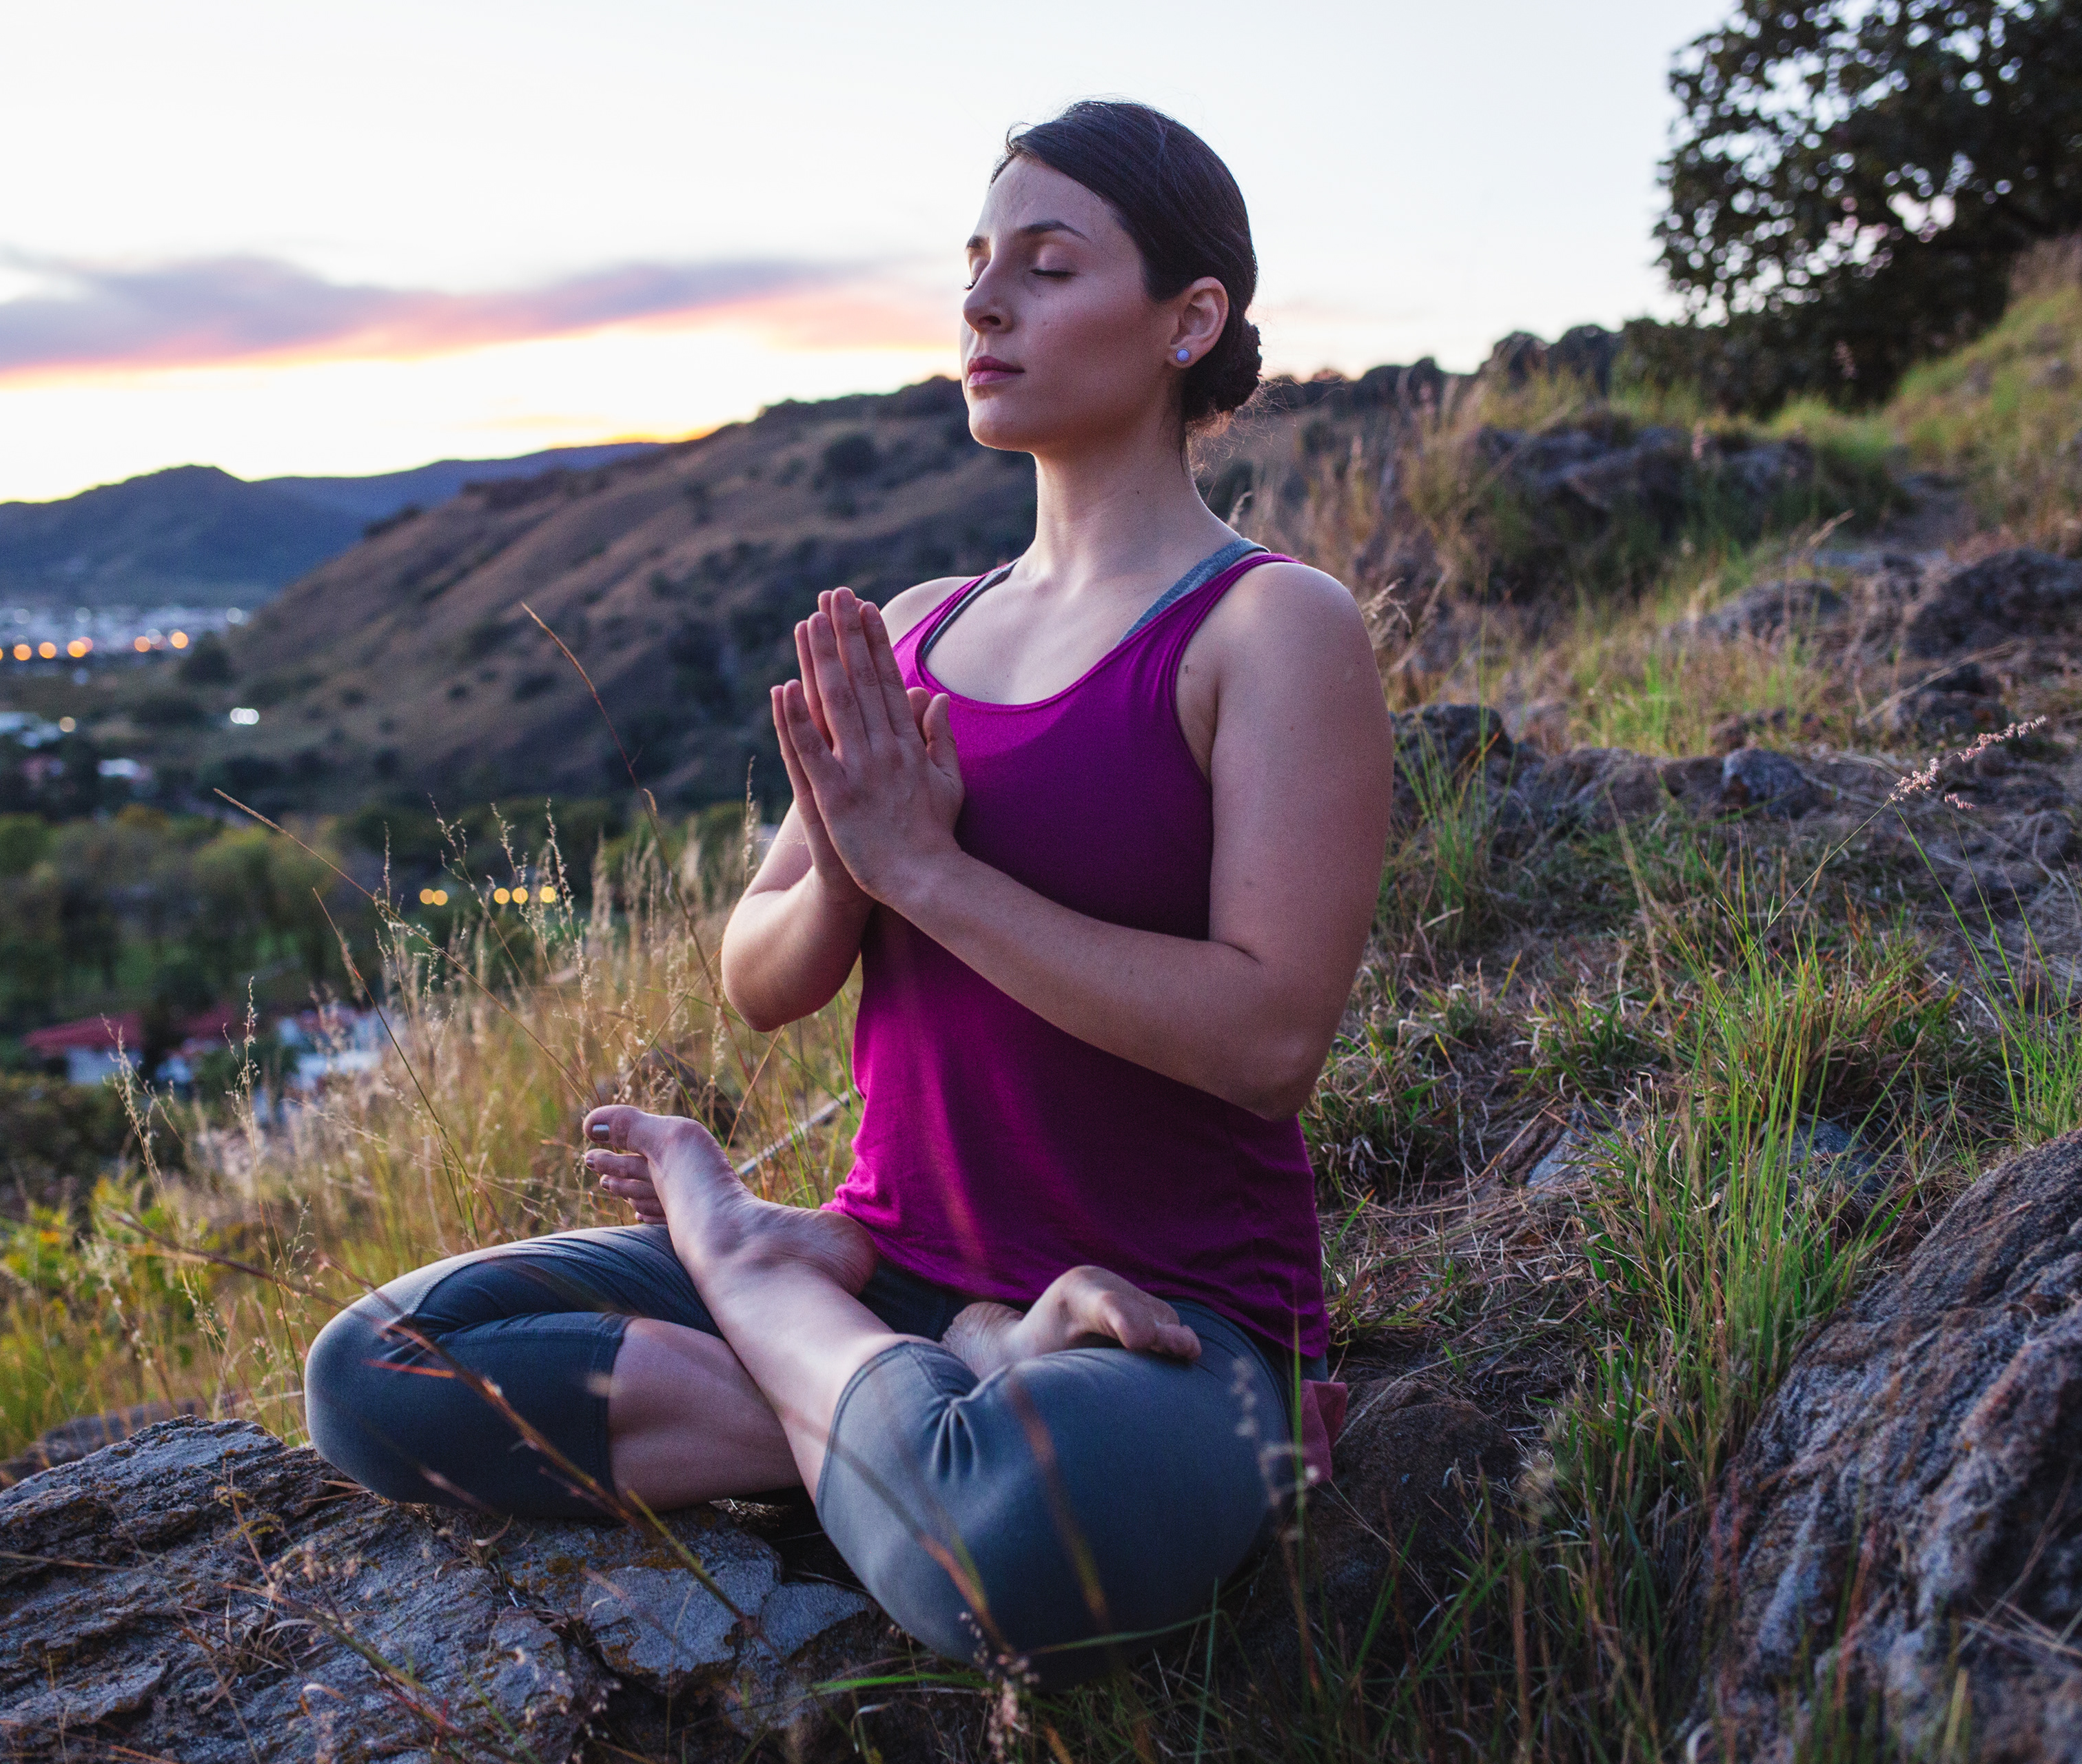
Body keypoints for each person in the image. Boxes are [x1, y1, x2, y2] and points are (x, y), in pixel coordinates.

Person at [305, 98, 1393, 1685]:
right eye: (976, 263)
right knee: (379, 1369)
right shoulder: (921, 626)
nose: (983, 303)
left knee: (1012, 1543)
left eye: (1046, 265)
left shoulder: (1268, 627)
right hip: (890, 1260)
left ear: (1191, 319)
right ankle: (922, 1369)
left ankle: (767, 1283)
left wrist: (925, 872)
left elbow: (1268, 1038)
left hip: (1173, 1321)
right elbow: (760, 972)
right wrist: (850, 866)